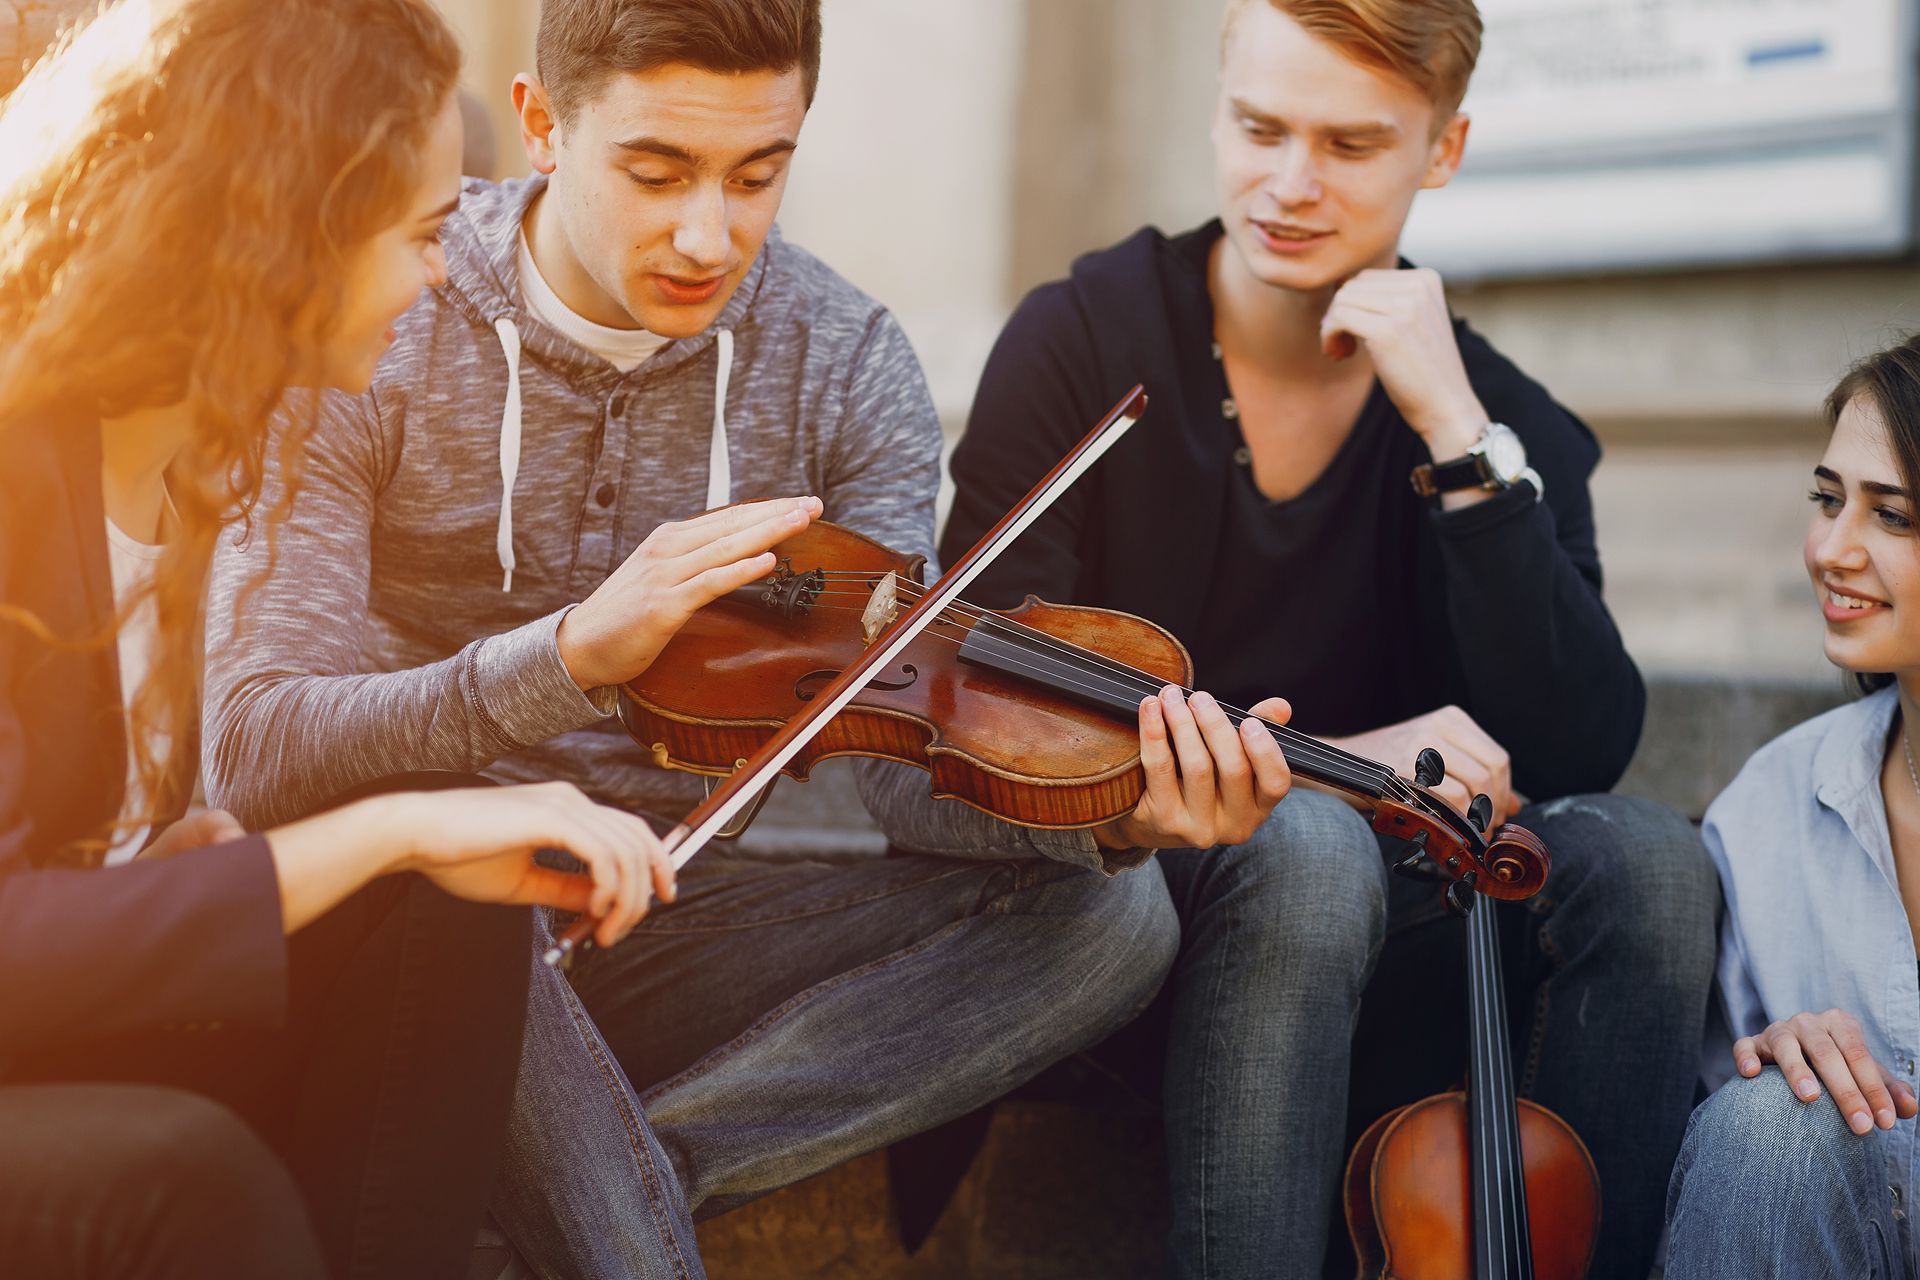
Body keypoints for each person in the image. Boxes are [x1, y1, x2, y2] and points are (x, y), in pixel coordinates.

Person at [198, 1, 1239, 1274]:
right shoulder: (382, 300)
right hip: (424, 929)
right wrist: (569, 653)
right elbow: (252, 746)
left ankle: (632, 1171)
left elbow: (896, 776)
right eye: (656, 171)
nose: (711, 234)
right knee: (459, 916)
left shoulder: (846, 364)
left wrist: (1113, 805)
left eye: (759, 174)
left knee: (1111, 922)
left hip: (676, 924)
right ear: (539, 124)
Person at [938, 1, 1719, 1275]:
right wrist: (1336, 764)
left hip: (1405, 950)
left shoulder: (1495, 413)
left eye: (1351, 147)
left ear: (1444, 150)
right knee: (1304, 848)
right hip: (1134, 916)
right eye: (1259, 128)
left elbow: (1585, 742)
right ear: (1217, 110)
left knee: (1655, 860)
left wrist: (1459, 438)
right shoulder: (1082, 336)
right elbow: (987, 686)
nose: (1289, 185)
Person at [0, 2, 672, 1276]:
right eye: (421, 234)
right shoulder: (13, 444)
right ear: (283, 227)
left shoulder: (196, 464)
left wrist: (180, 857)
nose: (439, 278)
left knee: (444, 906)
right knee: (187, 1170)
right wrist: (394, 824)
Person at [1664, 336, 1920, 1279]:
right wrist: (1766, 1063)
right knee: (1771, 1123)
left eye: (1890, 514)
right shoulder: (1769, 806)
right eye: (1827, 500)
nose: (1828, 549)